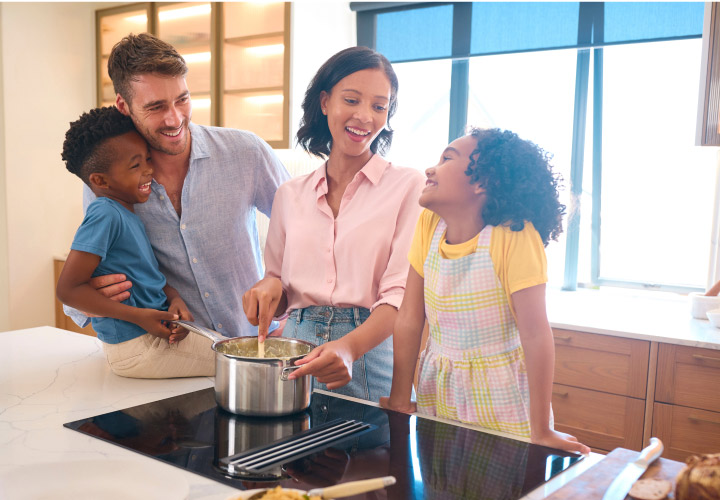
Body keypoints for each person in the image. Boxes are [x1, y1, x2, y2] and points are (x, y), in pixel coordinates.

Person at [64, 33, 290, 339]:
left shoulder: (246, 152)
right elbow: (86, 282)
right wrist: (91, 297)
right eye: (156, 107)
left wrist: (286, 302)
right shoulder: (109, 185)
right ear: (123, 105)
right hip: (175, 359)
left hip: (253, 348)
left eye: (182, 99)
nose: (174, 118)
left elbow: (306, 232)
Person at [380, 128, 591, 454]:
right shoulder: (429, 225)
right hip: (437, 389)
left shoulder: (514, 234)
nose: (431, 168)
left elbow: (536, 334)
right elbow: (409, 317)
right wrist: (398, 398)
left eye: (447, 158)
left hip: (500, 398)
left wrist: (542, 430)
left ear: (482, 182)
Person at [242, 46, 425, 402]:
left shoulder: (408, 186)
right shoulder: (289, 194)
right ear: (325, 102)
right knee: (292, 455)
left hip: (370, 353)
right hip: (294, 350)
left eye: (379, 106)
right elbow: (278, 283)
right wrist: (266, 290)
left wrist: (348, 348)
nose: (365, 117)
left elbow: (400, 297)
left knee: (373, 454)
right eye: (352, 100)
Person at [57, 106, 214, 378]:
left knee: (229, 353)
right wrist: (139, 316)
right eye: (136, 165)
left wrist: (174, 299)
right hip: (135, 347)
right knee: (237, 361)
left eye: (147, 159)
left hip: (147, 340)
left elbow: (148, 276)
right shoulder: (104, 214)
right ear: (100, 180)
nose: (149, 171)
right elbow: (68, 289)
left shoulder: (128, 214)